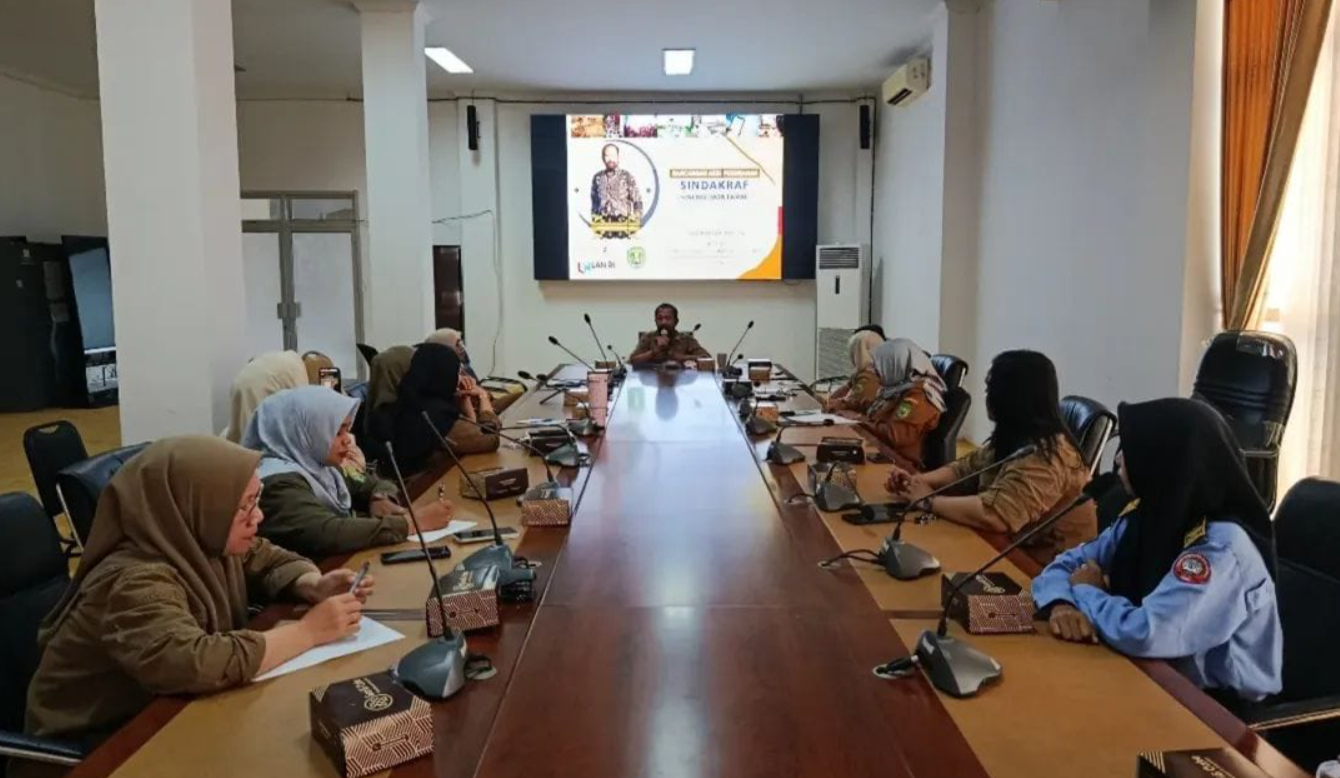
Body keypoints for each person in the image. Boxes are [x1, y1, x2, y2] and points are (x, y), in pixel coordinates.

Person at [19, 437, 371, 768]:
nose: (258, 517)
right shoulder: (134, 581)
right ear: (195, 506)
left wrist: (313, 584)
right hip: (102, 746)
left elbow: (264, 557)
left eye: (256, 499)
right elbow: (193, 662)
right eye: (244, 507)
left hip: (166, 713)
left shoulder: (195, 537)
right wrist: (308, 632)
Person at [1032, 398, 1282, 702]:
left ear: (1165, 462)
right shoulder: (1146, 516)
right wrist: (1062, 604)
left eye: (1132, 451)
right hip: (1144, 674)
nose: (1120, 460)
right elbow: (1065, 566)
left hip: (1216, 712)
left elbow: (1148, 633)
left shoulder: (1220, 549)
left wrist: (1087, 592)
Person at [885, 350, 1093, 564]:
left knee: (938, 585)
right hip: (1004, 546)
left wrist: (928, 501)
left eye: (990, 389)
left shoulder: (1049, 456)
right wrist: (917, 482)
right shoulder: (1017, 434)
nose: (987, 396)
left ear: (1012, 396)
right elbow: (965, 469)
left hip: (1038, 575)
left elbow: (996, 516)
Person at [242, 386, 454, 559]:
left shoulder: (319, 465)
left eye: (346, 429)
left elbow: (371, 482)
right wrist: (411, 523)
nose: (347, 439)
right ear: (304, 432)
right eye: (336, 432)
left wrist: (380, 497)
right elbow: (328, 533)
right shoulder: (276, 483)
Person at [387, 343, 499, 474]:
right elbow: (490, 439)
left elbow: (472, 433)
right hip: (422, 487)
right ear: (444, 374)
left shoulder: (413, 398)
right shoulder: (435, 414)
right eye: (457, 373)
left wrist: (465, 400)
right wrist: (482, 396)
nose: (460, 379)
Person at [864, 339, 946, 470]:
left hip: (900, 466)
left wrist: (864, 423)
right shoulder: (896, 388)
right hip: (883, 452)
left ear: (896, 364)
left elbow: (896, 435)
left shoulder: (920, 395)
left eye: (881, 364)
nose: (875, 370)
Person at [424, 328, 520, 415]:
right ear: (443, 349)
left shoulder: (462, 367)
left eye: (461, 342)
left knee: (522, 397)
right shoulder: (443, 375)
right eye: (457, 344)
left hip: (485, 404)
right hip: (480, 414)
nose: (462, 348)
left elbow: (479, 391)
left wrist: (484, 395)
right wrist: (482, 396)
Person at [222, 351, 308, 443]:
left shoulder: (291, 359)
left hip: (241, 382)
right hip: (255, 387)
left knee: (238, 434)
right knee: (252, 442)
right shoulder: (298, 374)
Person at [823, 328, 885, 416]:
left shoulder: (868, 377)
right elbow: (835, 398)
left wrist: (830, 403)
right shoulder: (865, 374)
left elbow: (848, 404)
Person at [628, 303, 710, 367]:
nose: (664, 322)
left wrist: (679, 357)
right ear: (655, 321)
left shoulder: (686, 339)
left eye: (668, 318)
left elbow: (706, 358)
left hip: (680, 381)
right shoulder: (648, 337)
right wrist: (653, 352)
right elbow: (632, 361)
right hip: (653, 381)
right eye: (660, 319)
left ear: (676, 321)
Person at [590, 143, 642, 237]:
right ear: (603, 158)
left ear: (618, 157)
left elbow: (637, 200)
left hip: (624, 229)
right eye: (607, 155)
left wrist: (636, 221)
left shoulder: (626, 176)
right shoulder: (597, 178)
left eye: (613, 155)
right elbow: (594, 203)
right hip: (603, 230)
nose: (610, 159)